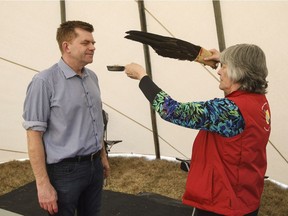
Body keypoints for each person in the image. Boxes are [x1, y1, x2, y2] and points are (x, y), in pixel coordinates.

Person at [125, 44, 271, 216]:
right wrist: (223, 58)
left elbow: (170, 110)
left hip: (221, 204)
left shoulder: (229, 110)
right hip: (245, 198)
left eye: (224, 66)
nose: (218, 71)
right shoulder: (258, 101)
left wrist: (143, 77)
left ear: (239, 71)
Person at [22, 20, 110, 216]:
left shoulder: (92, 77)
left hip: (94, 166)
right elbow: (33, 135)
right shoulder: (44, 82)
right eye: (86, 43)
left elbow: (94, 121)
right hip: (64, 173)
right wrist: (43, 184)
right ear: (66, 46)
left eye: (93, 43)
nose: (93, 47)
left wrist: (102, 156)